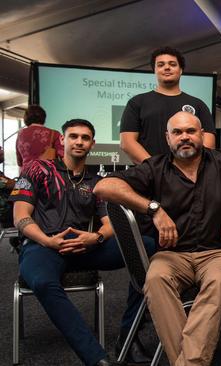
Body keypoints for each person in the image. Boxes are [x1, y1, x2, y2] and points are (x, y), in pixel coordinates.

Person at [94, 111, 221, 366]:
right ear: (167, 137)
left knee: (217, 282)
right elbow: (103, 187)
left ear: (201, 135)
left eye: (191, 131)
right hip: (171, 255)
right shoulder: (154, 167)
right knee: (155, 279)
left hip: (217, 253)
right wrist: (153, 209)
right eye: (178, 133)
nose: (185, 138)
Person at [10, 119, 155, 366]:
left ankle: (129, 336)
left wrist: (95, 237)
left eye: (85, 138)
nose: (79, 141)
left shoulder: (97, 182)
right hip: (43, 246)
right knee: (43, 283)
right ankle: (95, 358)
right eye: (73, 136)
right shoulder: (36, 170)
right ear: (62, 141)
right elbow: (20, 216)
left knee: (148, 249)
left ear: (92, 144)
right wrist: (47, 240)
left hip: (84, 245)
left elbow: (109, 223)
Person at [120, 46, 216, 165]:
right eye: (160, 65)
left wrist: (189, 168)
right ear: (154, 70)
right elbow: (127, 142)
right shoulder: (137, 102)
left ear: (181, 70)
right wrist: (155, 169)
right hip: (149, 177)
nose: (167, 67)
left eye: (172, 64)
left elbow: (209, 142)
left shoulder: (198, 104)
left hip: (191, 177)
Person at [16, 105, 64, 172]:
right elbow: (63, 156)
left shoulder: (21, 134)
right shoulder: (54, 134)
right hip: (47, 177)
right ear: (43, 117)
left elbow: (19, 162)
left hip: (26, 176)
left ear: (26, 118)